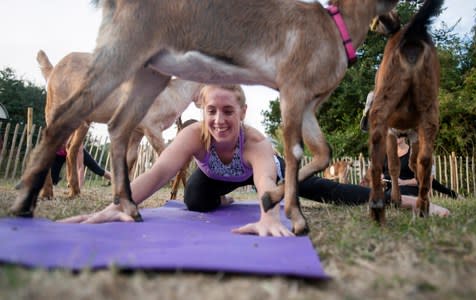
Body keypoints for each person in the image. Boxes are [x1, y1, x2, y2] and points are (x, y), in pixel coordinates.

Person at [60, 84, 449, 236]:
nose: (218, 119)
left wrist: (267, 216)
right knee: (195, 200)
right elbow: (159, 173)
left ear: (242, 111)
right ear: (204, 109)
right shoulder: (193, 136)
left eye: (228, 111)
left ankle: (408, 199)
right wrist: (121, 202)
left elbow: (265, 182)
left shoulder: (256, 143)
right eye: (212, 110)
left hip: (271, 173)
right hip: (218, 177)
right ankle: (226, 197)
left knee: (328, 190)